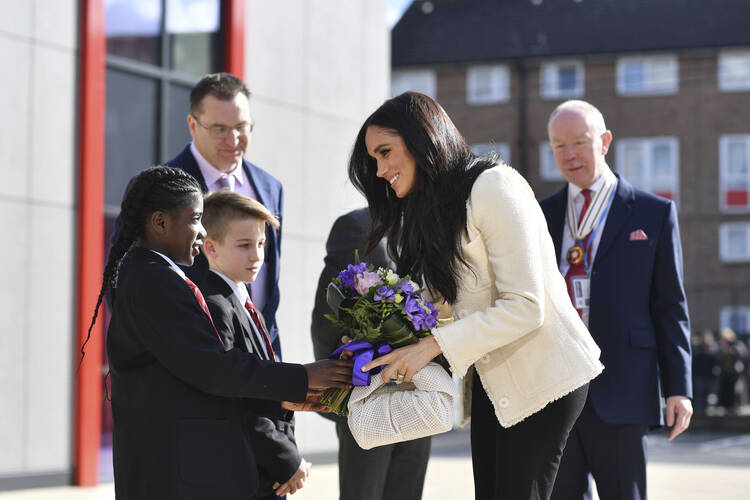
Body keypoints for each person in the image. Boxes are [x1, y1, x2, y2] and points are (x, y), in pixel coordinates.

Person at [348, 92, 604, 500]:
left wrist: (430, 346)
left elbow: (527, 306)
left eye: (385, 153)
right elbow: (446, 313)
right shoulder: (433, 213)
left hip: (544, 374)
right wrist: (381, 343)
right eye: (373, 160)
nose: (379, 170)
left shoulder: (494, 185)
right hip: (491, 377)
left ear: (421, 140)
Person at [84, 166, 352, 499]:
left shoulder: (157, 275)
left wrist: (287, 398)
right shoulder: (153, 279)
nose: (200, 231)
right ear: (160, 223)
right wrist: (303, 377)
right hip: (171, 475)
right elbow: (212, 368)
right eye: (195, 219)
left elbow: (195, 375)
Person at [539, 100, 693, 500]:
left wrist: (679, 388)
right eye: (559, 146)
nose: (569, 154)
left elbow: (670, 306)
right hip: (556, 388)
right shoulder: (541, 216)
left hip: (623, 386)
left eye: (580, 142)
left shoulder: (653, 212)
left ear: (605, 141)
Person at [310, 207, 431, 500]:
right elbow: (329, 316)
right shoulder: (357, 227)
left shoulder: (433, 229)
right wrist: (342, 398)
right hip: (367, 399)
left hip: (420, 394)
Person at [201, 190, 310, 498]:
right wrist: (286, 461)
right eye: (244, 245)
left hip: (266, 470)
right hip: (247, 472)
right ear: (210, 247)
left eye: (261, 244)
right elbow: (237, 398)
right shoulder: (215, 304)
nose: (257, 255)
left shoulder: (245, 302)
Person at [167, 71, 285, 357]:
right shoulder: (163, 189)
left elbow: (267, 281)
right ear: (193, 125)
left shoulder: (270, 187)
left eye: (241, 127)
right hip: (192, 360)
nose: (233, 139)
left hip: (262, 353)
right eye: (219, 128)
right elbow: (126, 278)